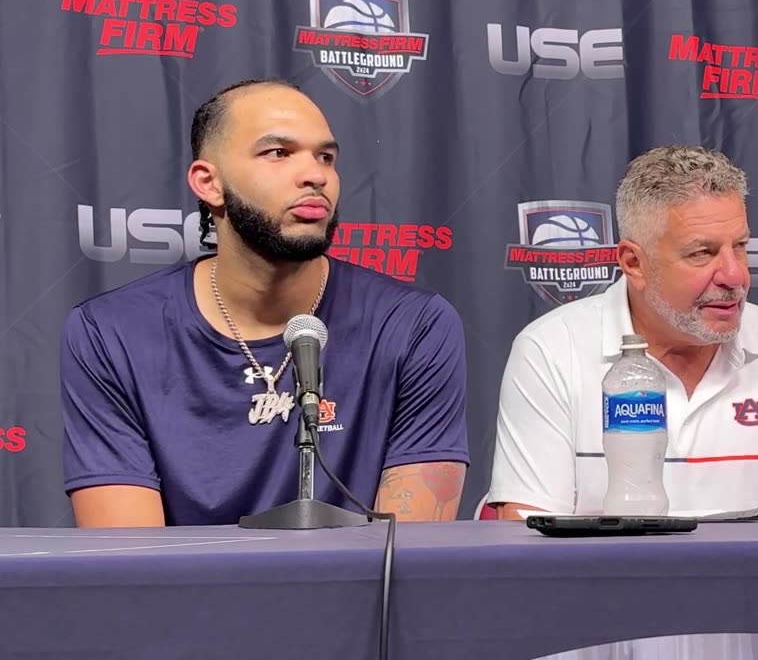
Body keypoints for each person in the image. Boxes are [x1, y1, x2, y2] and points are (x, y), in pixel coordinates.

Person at [60, 78, 469, 527]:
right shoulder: (111, 332)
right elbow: (132, 563)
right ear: (209, 183)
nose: (316, 175)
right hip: (188, 598)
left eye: (325, 157)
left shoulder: (415, 325)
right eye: (278, 153)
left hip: (356, 597)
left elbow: (409, 556)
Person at [487, 145, 758, 518]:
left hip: (747, 579)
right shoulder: (552, 350)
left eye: (739, 247)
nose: (735, 276)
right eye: (702, 253)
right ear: (634, 263)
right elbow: (527, 542)